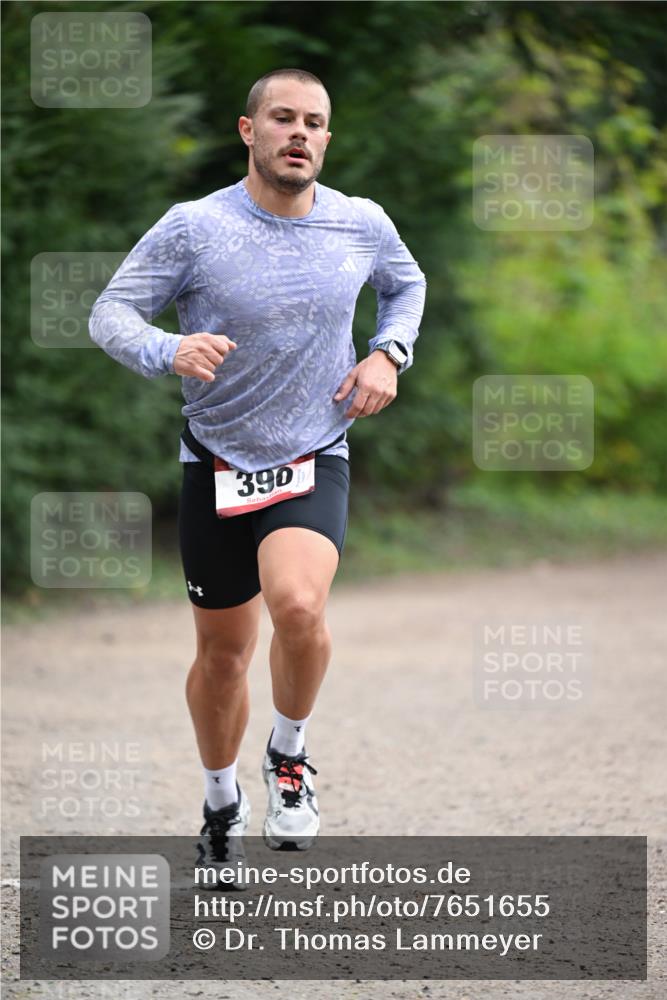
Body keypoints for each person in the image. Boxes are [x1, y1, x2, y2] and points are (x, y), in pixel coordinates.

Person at [89, 68, 426, 871]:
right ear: (250, 131)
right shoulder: (193, 228)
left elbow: (405, 285)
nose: (299, 133)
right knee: (223, 656)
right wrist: (167, 348)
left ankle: (288, 756)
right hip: (215, 458)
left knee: (300, 608)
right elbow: (109, 311)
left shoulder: (360, 222)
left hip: (315, 447)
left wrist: (388, 352)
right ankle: (218, 800)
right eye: (283, 118)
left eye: (314, 122)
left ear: (327, 139)